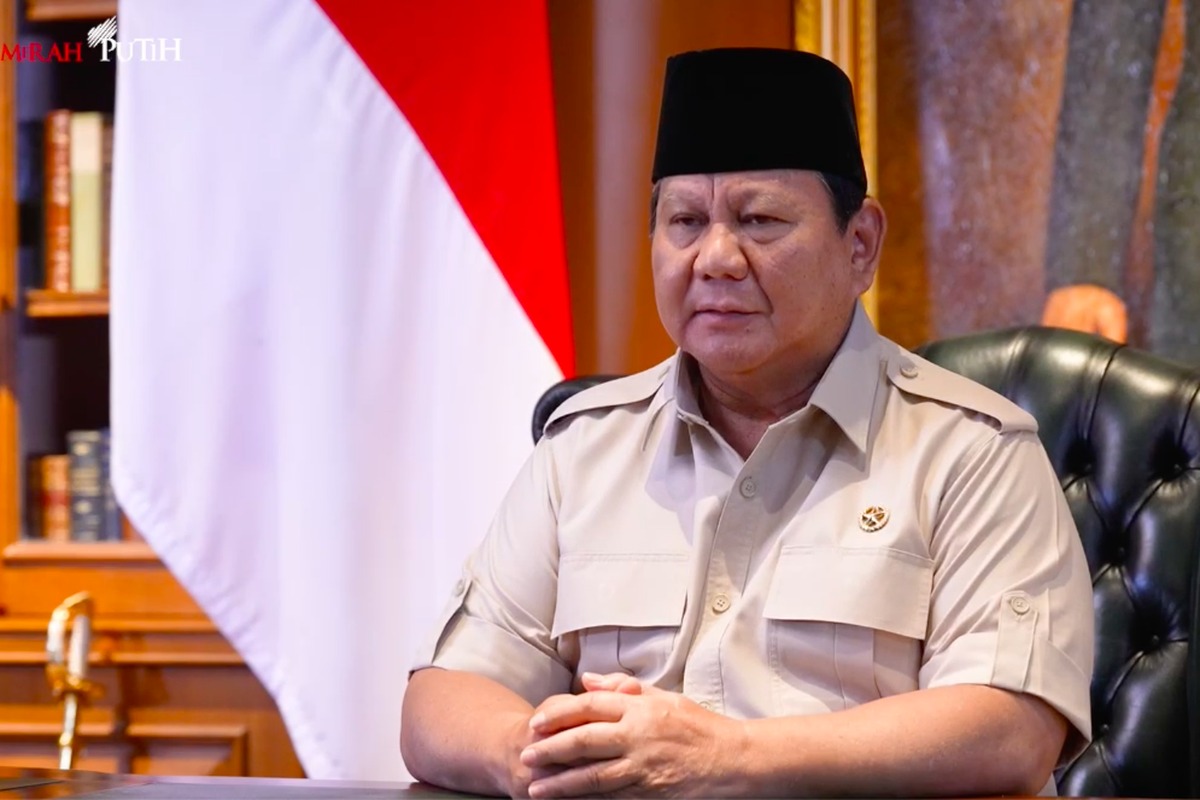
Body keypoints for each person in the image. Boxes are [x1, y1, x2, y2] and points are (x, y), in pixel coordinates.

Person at [401, 48, 1094, 798]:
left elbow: (1010, 729)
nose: (716, 258)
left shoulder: (972, 452)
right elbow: (440, 702)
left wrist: (722, 754)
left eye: (759, 221)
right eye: (685, 222)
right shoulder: (584, 450)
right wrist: (528, 753)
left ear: (860, 244)